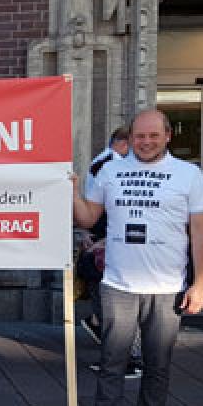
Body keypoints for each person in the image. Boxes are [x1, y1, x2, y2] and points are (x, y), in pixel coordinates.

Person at [73, 109, 203, 406]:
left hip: (167, 286)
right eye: (139, 136)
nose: (146, 142)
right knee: (111, 361)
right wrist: (71, 191)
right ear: (130, 136)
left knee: (158, 363)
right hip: (119, 284)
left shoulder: (189, 175)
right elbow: (89, 217)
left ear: (168, 136)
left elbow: (201, 231)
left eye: (153, 136)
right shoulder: (109, 170)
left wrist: (200, 283)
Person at [78, 128, 144, 379]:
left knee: (116, 305)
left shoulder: (102, 163)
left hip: (104, 241)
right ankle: (126, 358)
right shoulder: (110, 167)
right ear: (123, 143)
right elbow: (106, 208)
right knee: (115, 304)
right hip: (106, 243)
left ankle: (125, 358)